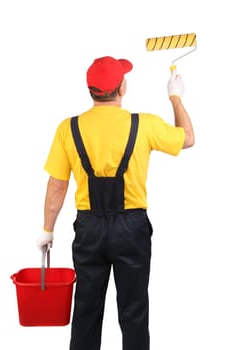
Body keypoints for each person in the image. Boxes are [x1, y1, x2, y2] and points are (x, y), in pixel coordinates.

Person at [37, 55, 195, 350]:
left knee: (85, 310)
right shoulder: (144, 125)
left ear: (91, 90)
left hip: (89, 229)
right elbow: (187, 138)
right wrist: (175, 97)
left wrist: (47, 230)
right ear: (122, 88)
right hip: (132, 229)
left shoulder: (67, 129)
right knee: (134, 311)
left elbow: (57, 185)